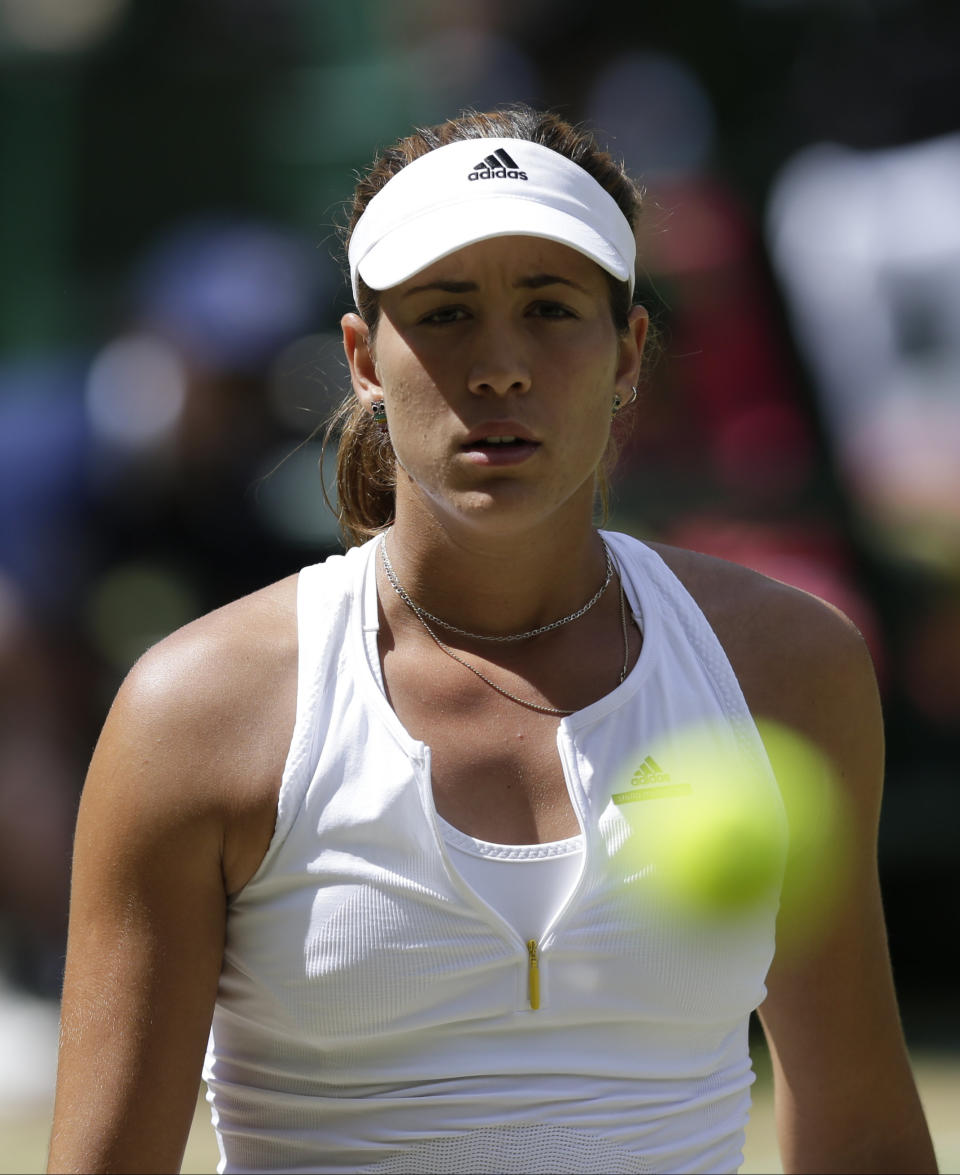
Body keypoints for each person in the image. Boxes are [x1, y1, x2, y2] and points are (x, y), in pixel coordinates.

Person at [47, 105, 937, 1175]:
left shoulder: (790, 667)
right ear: (363, 358)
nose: (501, 366)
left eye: (553, 308)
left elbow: (867, 1135)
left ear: (630, 353)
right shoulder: (193, 709)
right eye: (447, 311)